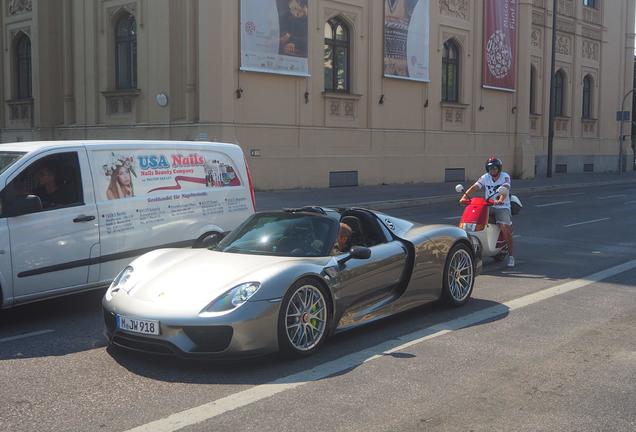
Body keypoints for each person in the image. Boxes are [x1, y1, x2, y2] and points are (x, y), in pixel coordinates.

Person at [460, 156, 515, 268]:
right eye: (490, 168)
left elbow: (505, 189)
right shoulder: (486, 177)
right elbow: (475, 186)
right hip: (488, 205)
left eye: (495, 168)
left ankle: (511, 256)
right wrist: (464, 196)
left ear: (499, 168)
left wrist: (500, 200)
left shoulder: (505, 176)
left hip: (502, 206)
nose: (492, 170)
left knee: (504, 227)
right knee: (473, 222)